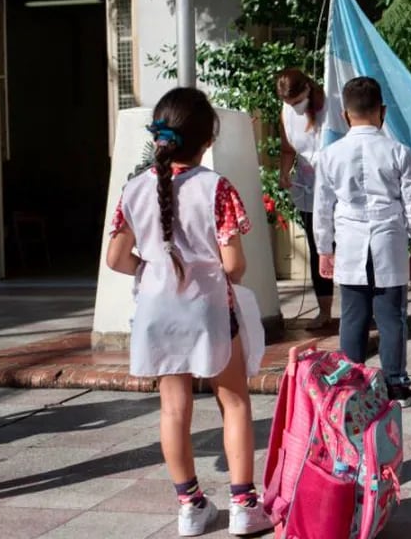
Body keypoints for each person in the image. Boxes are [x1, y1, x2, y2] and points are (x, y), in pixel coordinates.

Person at [106, 88, 272, 537]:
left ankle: (190, 506)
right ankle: (243, 506)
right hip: (208, 308)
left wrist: (151, 268)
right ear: (207, 138)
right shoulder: (216, 188)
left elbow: (117, 259)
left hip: (156, 311)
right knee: (234, 400)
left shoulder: (135, 188)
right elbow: (235, 265)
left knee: (173, 408)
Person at [313, 76, 411, 407]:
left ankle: (352, 385)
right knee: (392, 315)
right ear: (383, 111)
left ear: (345, 114)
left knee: (353, 317)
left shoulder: (330, 155)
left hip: (349, 242)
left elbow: (322, 207)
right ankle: (395, 383)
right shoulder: (399, 152)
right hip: (388, 239)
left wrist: (324, 248)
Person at [276, 67, 335, 329]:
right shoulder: (287, 112)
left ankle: (362, 307)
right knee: (317, 246)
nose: (294, 107)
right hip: (307, 185)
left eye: (297, 102)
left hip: (334, 185)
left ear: (307, 89)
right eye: (289, 104)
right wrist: (283, 172)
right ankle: (324, 310)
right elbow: (288, 147)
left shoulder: (329, 106)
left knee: (343, 246)